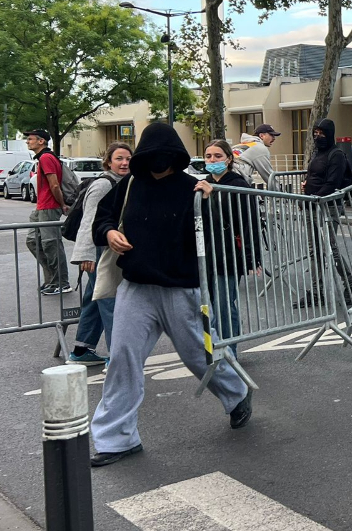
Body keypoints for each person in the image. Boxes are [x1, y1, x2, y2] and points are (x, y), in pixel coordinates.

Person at [88, 123, 251, 467]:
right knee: (122, 359)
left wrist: (213, 201)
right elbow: (100, 219)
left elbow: (223, 230)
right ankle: (116, 439)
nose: (157, 161)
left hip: (182, 288)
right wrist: (110, 232)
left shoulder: (195, 187)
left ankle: (236, 395)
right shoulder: (130, 186)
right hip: (136, 288)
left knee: (199, 356)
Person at [195, 140, 262, 357]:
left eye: (217, 156)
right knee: (209, 306)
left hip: (229, 255)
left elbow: (248, 222)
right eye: (208, 156)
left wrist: (252, 257)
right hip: (207, 256)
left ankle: (229, 350)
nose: (212, 160)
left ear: (229, 159)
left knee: (225, 305)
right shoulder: (202, 183)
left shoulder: (238, 185)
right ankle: (213, 347)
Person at [67, 142, 131, 366]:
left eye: (128, 159)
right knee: (110, 300)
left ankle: (81, 349)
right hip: (100, 251)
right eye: (119, 159)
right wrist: (86, 255)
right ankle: (117, 357)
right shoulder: (104, 185)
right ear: (109, 162)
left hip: (107, 249)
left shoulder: (124, 182)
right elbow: (88, 222)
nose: (124, 163)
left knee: (95, 300)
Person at [297, 118, 352, 308]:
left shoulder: (337, 155)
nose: (317, 137)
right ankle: (316, 292)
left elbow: (332, 183)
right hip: (310, 206)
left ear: (330, 134)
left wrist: (314, 197)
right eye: (315, 133)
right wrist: (306, 189)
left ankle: (350, 286)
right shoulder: (317, 153)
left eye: (321, 133)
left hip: (327, 206)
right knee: (314, 250)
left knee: (331, 249)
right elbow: (313, 176)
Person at [24, 129, 71, 295]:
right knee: (32, 241)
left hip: (50, 206)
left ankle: (62, 282)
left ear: (41, 141)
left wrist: (62, 204)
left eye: (30, 139)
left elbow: (55, 185)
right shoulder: (43, 158)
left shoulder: (46, 158)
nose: (27, 142)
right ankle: (52, 279)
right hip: (42, 206)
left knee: (52, 244)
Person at [234, 123, 281, 190]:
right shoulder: (259, 148)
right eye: (271, 135)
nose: (274, 138)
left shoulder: (240, 145)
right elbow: (268, 175)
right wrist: (281, 195)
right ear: (261, 136)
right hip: (237, 182)